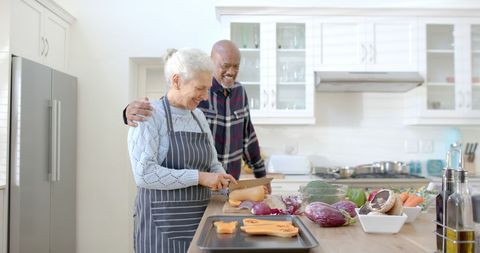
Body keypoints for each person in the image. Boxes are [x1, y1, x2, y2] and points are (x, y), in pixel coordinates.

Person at [128, 48, 237, 253]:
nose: (205, 96)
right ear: (177, 80)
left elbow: (213, 164)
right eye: (200, 88)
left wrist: (229, 185)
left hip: (202, 224)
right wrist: (200, 177)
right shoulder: (149, 114)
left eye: (208, 89)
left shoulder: (198, 117)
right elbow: (144, 175)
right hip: (161, 228)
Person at [124, 40, 269, 191]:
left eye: (236, 66)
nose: (206, 97)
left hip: (218, 191)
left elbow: (246, 139)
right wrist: (127, 112)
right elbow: (144, 173)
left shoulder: (204, 111)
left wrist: (255, 178)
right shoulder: (155, 112)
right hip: (178, 202)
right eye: (225, 66)